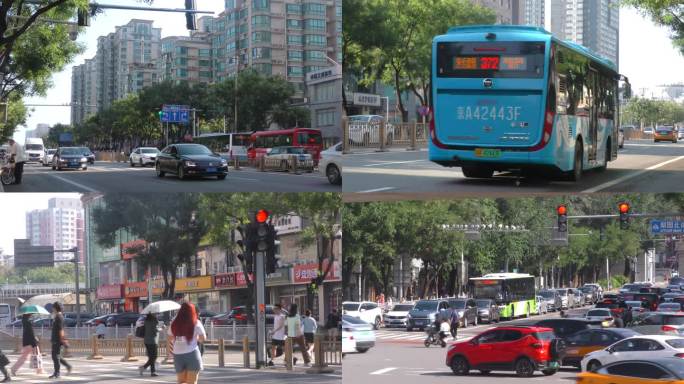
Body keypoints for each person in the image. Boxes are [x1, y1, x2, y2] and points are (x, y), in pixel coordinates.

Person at [168, 303, 206, 384]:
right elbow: (203, 338)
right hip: (192, 353)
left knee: (181, 381)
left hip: (178, 355)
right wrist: (196, 338)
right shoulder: (195, 322)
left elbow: (170, 337)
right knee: (192, 382)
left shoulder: (174, 322)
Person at [49, 302, 71, 379]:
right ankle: (67, 366)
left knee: (55, 356)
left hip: (57, 340)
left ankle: (57, 373)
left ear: (55, 308)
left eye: (53, 307)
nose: (52, 309)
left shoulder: (59, 317)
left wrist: (62, 340)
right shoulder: (57, 316)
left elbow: (60, 329)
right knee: (57, 356)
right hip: (56, 339)